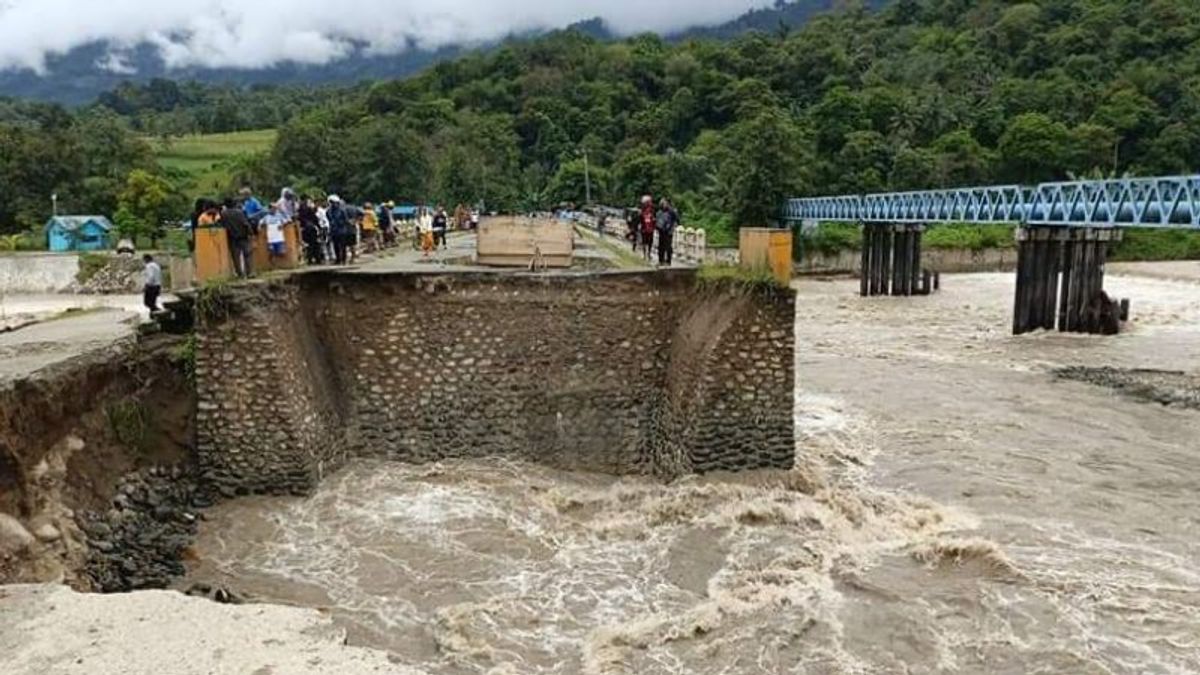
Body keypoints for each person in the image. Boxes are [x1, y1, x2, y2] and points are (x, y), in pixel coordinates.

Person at [222, 197, 254, 278]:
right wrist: (251, 233)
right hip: (243, 236)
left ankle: (239, 273)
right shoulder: (239, 212)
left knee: (236, 257)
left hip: (232, 238)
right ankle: (249, 272)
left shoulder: (223, 214)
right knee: (247, 254)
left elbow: (223, 225)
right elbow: (245, 224)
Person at [327, 195, 353, 265]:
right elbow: (329, 219)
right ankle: (338, 259)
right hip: (334, 230)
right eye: (331, 202)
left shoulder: (342, 211)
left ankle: (343, 259)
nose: (333, 204)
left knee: (343, 246)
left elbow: (346, 220)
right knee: (336, 245)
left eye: (334, 202)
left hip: (342, 230)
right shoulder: (329, 211)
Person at [298, 195, 323, 265]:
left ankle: (310, 259)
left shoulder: (299, 208)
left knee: (309, 245)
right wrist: (319, 227)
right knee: (315, 244)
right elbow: (314, 218)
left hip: (305, 228)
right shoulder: (308, 208)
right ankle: (317, 259)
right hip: (311, 228)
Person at [655, 198, 678, 266]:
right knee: (661, 246)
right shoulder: (659, 212)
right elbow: (657, 221)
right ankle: (661, 260)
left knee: (668, 247)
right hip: (661, 231)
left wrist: (672, 226)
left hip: (669, 231)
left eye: (664, 204)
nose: (663, 205)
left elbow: (676, 219)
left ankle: (668, 261)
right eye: (662, 204)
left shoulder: (671, 212)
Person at [639, 195, 656, 261]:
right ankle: (644, 254)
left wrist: (654, 226)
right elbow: (640, 219)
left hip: (650, 229)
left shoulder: (652, 211)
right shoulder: (642, 211)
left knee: (649, 242)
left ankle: (648, 254)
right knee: (644, 242)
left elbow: (654, 219)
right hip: (644, 228)